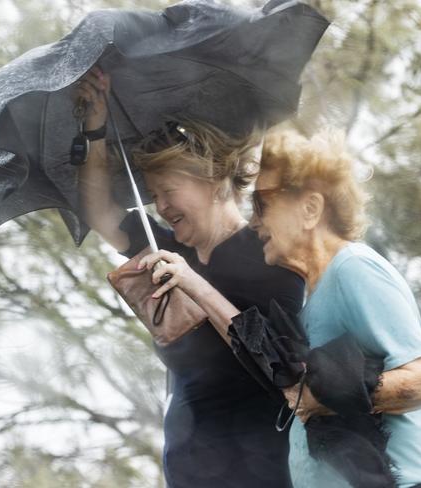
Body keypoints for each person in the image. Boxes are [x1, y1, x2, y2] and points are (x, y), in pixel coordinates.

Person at [76, 67, 304, 487]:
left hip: (259, 471)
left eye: (168, 190)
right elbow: (100, 212)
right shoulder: (169, 252)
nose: (159, 206)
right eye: (153, 195)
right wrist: (94, 128)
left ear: (214, 179)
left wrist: (195, 286)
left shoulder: (270, 255)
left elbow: (284, 368)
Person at [248, 128, 421, 488]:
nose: (253, 221)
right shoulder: (317, 295)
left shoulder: (353, 268)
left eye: (262, 203)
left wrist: (320, 396)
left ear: (310, 208)